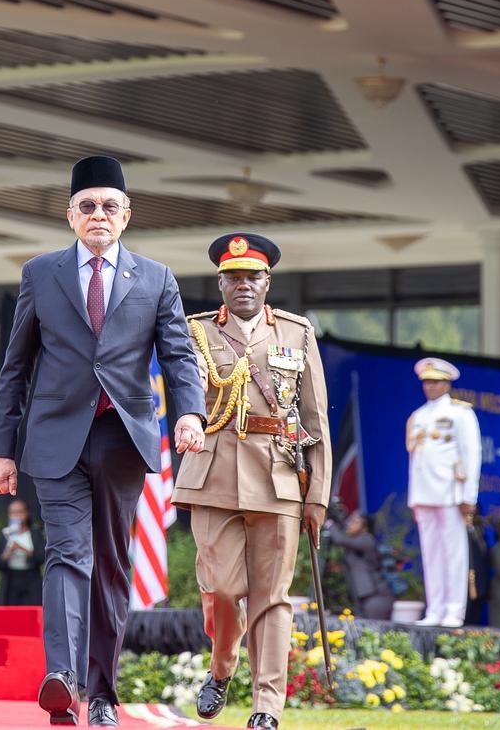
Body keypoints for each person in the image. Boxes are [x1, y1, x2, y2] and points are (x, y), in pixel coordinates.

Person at [0, 155, 206, 727]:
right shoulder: (41, 273)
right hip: (54, 439)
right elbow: (16, 367)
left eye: (110, 206)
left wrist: (189, 415)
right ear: (70, 216)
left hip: (123, 439)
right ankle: (62, 676)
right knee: (66, 553)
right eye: (88, 206)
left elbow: (179, 355)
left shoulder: (156, 278)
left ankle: (103, 692)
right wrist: (1, 448)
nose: (98, 215)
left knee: (110, 563)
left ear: (127, 216)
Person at [173, 232, 331, 730]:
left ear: (267, 282)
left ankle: (267, 707)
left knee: (272, 595)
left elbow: (315, 419)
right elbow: (185, 390)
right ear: (220, 283)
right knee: (220, 587)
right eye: (233, 277)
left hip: (279, 475)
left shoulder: (297, 332)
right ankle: (222, 667)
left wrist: (318, 496)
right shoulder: (195, 332)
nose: (243, 285)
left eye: (252, 277)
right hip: (213, 472)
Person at [406, 357, 481, 629]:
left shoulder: (461, 413)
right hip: (424, 493)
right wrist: (413, 497)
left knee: (454, 553)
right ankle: (435, 609)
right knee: (431, 553)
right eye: (426, 382)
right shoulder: (418, 416)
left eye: (435, 381)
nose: (430, 386)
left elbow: (471, 456)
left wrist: (468, 497)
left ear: (447, 383)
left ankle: (454, 610)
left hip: (450, 493)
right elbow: (417, 460)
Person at [329, 511, 392, 622]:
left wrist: (329, 523)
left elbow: (341, 540)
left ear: (365, 527)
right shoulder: (358, 542)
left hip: (376, 596)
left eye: (355, 521)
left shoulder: (367, 539)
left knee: (373, 630)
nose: (349, 524)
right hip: (365, 596)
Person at [0, 499, 45, 606]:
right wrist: (9, 551)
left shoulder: (35, 533)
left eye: (20, 512)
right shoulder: (5, 534)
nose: (16, 515)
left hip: (31, 579)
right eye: (13, 512)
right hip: (11, 579)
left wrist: (23, 549)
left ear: (26, 513)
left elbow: (42, 558)